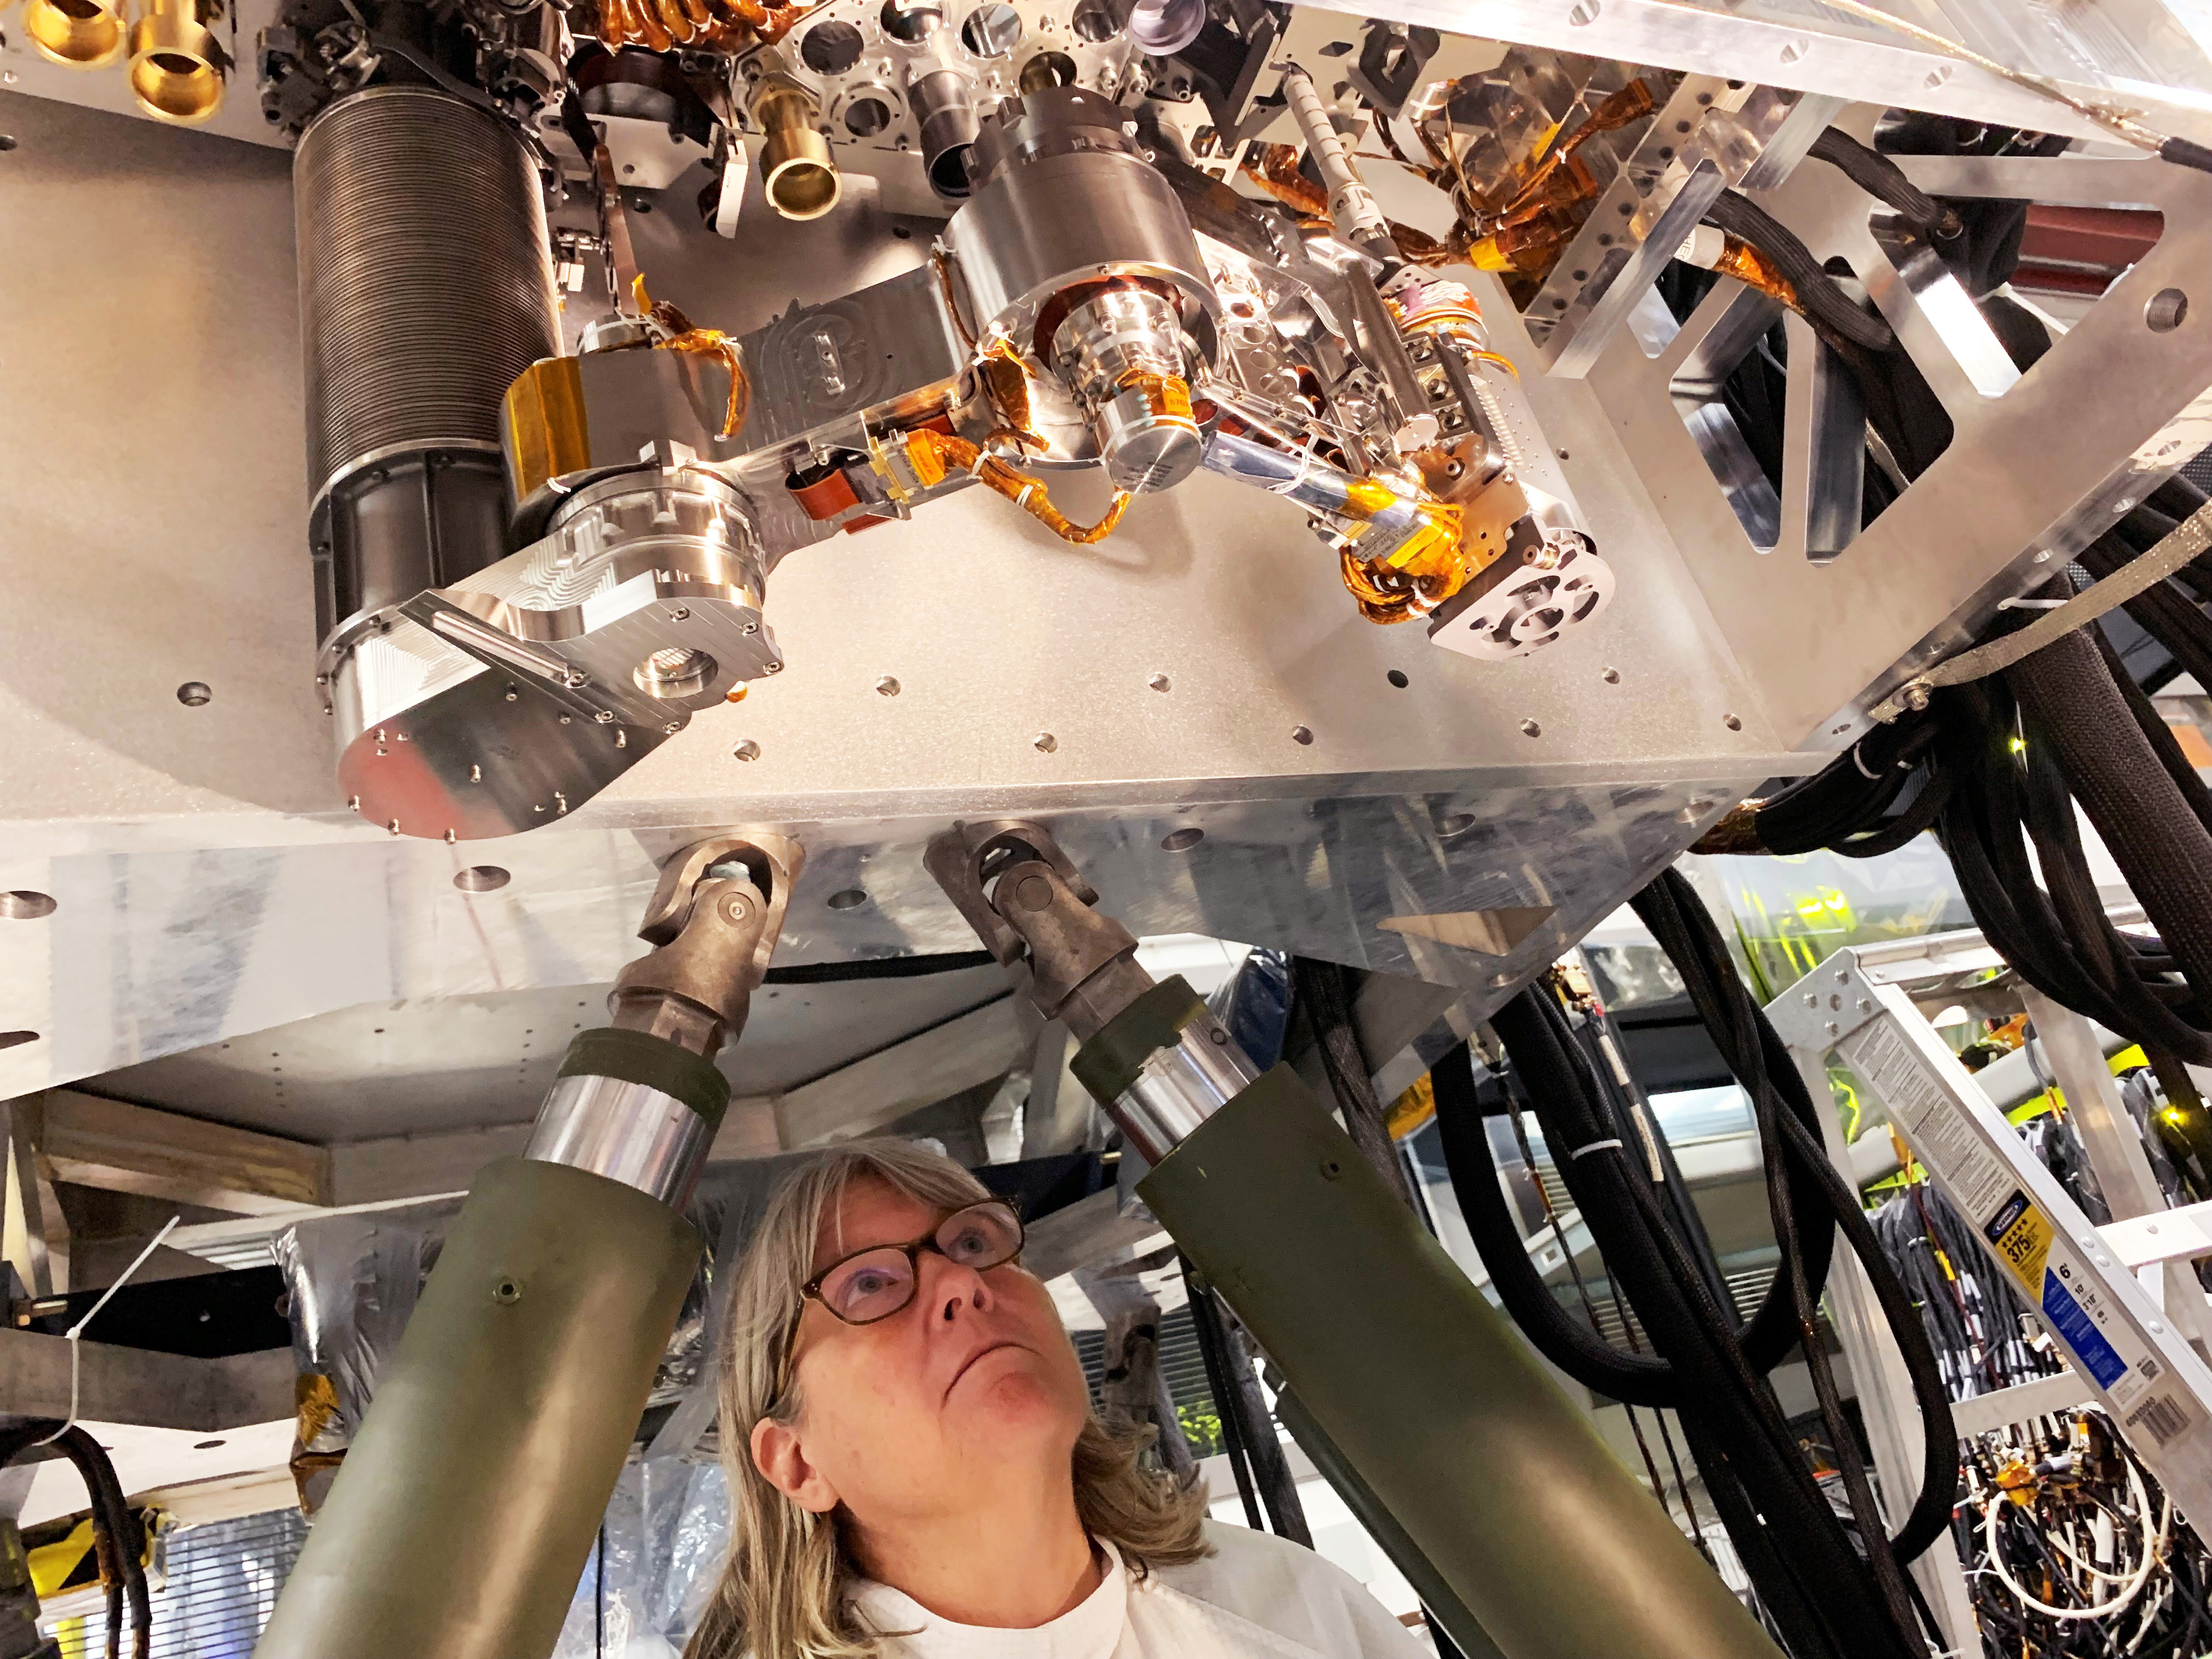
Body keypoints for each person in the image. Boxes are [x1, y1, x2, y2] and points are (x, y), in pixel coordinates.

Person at [684, 1138, 1430, 1659]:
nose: (959, 1282)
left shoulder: (1290, 1607)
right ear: (796, 1462)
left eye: (974, 1243)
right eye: (869, 1284)